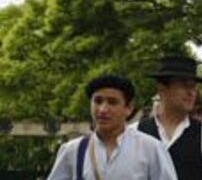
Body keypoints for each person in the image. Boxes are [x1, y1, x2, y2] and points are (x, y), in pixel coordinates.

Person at [47, 74, 177, 179]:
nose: (103, 109)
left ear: (129, 108)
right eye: (98, 101)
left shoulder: (150, 149)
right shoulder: (73, 150)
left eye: (112, 102)